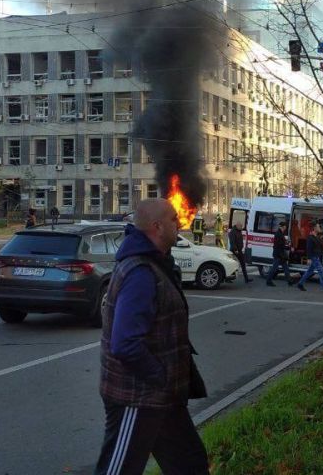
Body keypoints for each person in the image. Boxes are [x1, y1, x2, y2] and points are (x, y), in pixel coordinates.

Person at [94, 199, 209, 474]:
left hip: (163, 397)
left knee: (190, 465)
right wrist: (161, 377)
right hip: (137, 397)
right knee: (118, 469)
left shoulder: (156, 264)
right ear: (157, 227)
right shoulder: (140, 273)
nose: (179, 222)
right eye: (173, 219)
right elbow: (125, 344)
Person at [297, 223, 323, 293]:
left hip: (317, 256)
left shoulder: (317, 236)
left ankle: (300, 284)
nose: (320, 228)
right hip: (313, 257)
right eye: (318, 227)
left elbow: (321, 246)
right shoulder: (310, 238)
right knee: (321, 271)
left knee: (309, 271)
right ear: (314, 228)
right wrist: (309, 258)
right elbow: (308, 248)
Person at [264, 221, 292, 286]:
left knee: (285, 268)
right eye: (285, 226)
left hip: (280, 254)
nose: (286, 227)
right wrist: (286, 246)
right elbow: (279, 245)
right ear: (283, 227)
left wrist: (286, 243)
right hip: (278, 254)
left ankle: (289, 280)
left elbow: (281, 243)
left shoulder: (280, 233)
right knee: (274, 268)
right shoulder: (278, 234)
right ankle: (268, 281)